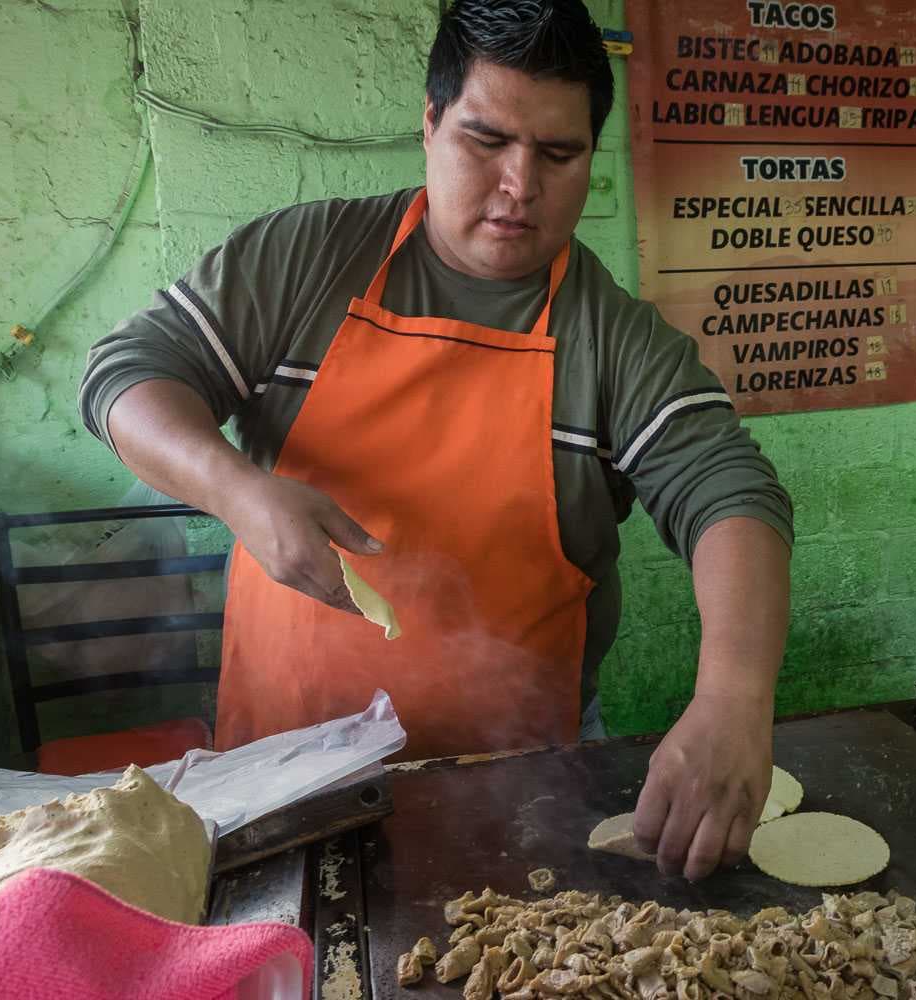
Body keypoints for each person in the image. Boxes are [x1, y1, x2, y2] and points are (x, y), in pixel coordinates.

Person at [78, 0, 792, 881]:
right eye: (486, 141)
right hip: (283, 769)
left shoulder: (614, 338)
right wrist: (238, 490)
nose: (519, 185)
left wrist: (734, 699)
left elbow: (732, 493)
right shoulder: (308, 258)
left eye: (558, 154)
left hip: (517, 779)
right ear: (429, 124)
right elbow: (126, 374)